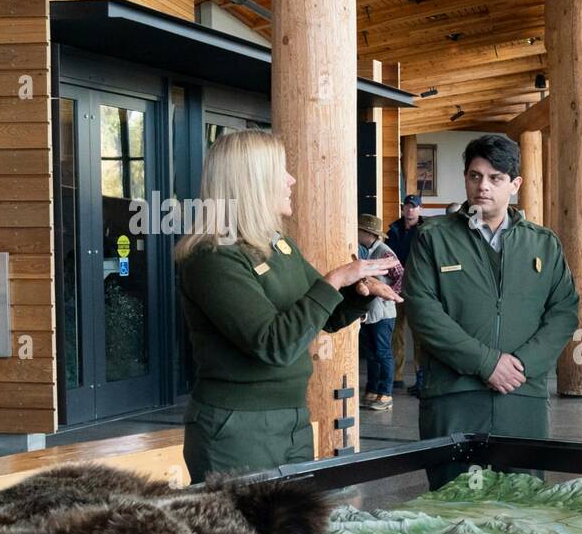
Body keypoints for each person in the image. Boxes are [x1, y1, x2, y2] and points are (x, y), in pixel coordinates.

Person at [176, 130, 401, 482]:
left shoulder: (279, 245)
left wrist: (361, 292)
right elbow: (274, 343)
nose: (291, 179)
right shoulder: (213, 257)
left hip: (292, 419)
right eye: (281, 170)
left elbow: (320, 317)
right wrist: (333, 280)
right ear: (252, 181)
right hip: (237, 429)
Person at [406, 134, 579, 489]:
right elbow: (423, 311)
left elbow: (564, 310)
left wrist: (522, 366)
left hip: (522, 395)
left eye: (495, 177)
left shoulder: (543, 243)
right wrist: (486, 363)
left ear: (514, 184)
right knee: (452, 504)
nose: (482, 186)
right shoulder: (433, 238)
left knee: (524, 504)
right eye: (475, 176)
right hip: (453, 394)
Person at [356, 213, 403, 411]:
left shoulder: (384, 252)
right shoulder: (365, 250)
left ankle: (386, 393)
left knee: (383, 353)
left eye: (359, 231)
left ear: (368, 233)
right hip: (368, 312)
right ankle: (373, 390)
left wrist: (388, 295)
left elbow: (400, 274)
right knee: (372, 353)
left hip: (382, 313)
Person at [385, 193, 422, 395]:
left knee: (420, 336)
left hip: (417, 289)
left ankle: (420, 378)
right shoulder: (393, 230)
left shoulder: (426, 231)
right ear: (403, 208)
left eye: (414, 206)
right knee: (396, 333)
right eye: (407, 206)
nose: (410, 210)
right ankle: (396, 377)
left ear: (420, 209)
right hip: (395, 288)